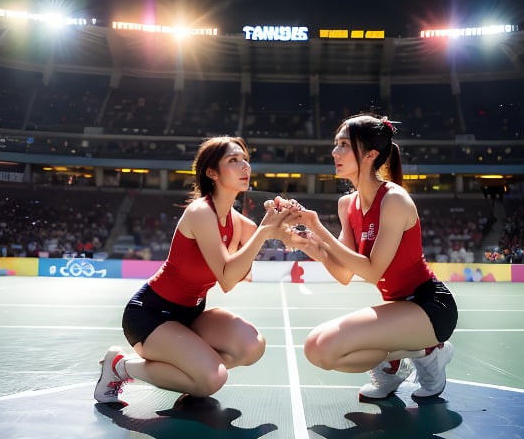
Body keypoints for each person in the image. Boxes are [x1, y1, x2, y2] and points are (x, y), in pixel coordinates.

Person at [95, 136, 296, 404]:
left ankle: (194, 371)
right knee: (213, 380)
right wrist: (265, 232)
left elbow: (285, 239)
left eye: (245, 159)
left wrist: (293, 222)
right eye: (233, 160)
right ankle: (120, 366)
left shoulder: (236, 220)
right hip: (151, 316)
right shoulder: (201, 212)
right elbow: (227, 279)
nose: (245, 166)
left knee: (252, 346)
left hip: (191, 315)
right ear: (212, 172)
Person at [285, 113, 458, 400]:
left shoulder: (394, 200)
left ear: (370, 155)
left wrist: (318, 227)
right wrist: (307, 244)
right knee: (317, 348)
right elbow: (343, 273)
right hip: (399, 308)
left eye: (343, 145)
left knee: (325, 345)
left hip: (430, 308)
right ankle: (394, 368)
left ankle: (429, 352)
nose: (334, 152)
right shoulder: (347, 204)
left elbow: (372, 272)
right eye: (336, 144)